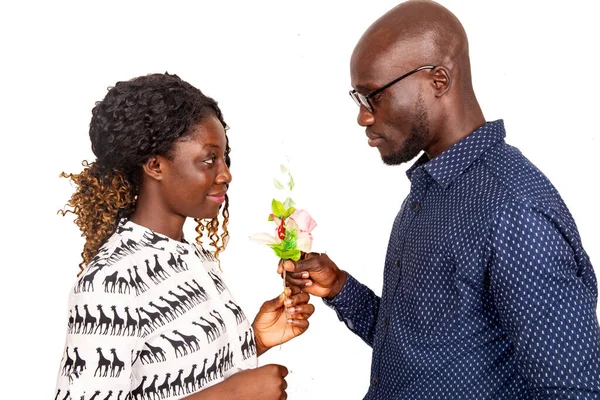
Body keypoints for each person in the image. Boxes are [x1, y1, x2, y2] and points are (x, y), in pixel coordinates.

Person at [280, 1, 600, 398]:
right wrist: (341, 288)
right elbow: (421, 350)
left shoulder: (514, 209)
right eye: (358, 99)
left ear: (438, 80)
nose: (363, 117)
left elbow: (571, 390)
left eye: (373, 97)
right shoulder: (432, 188)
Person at [54, 72, 314, 400]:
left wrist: (255, 339)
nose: (226, 174)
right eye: (209, 160)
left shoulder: (194, 259)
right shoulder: (111, 281)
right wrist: (232, 395)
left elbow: (175, 378)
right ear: (154, 166)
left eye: (224, 158)